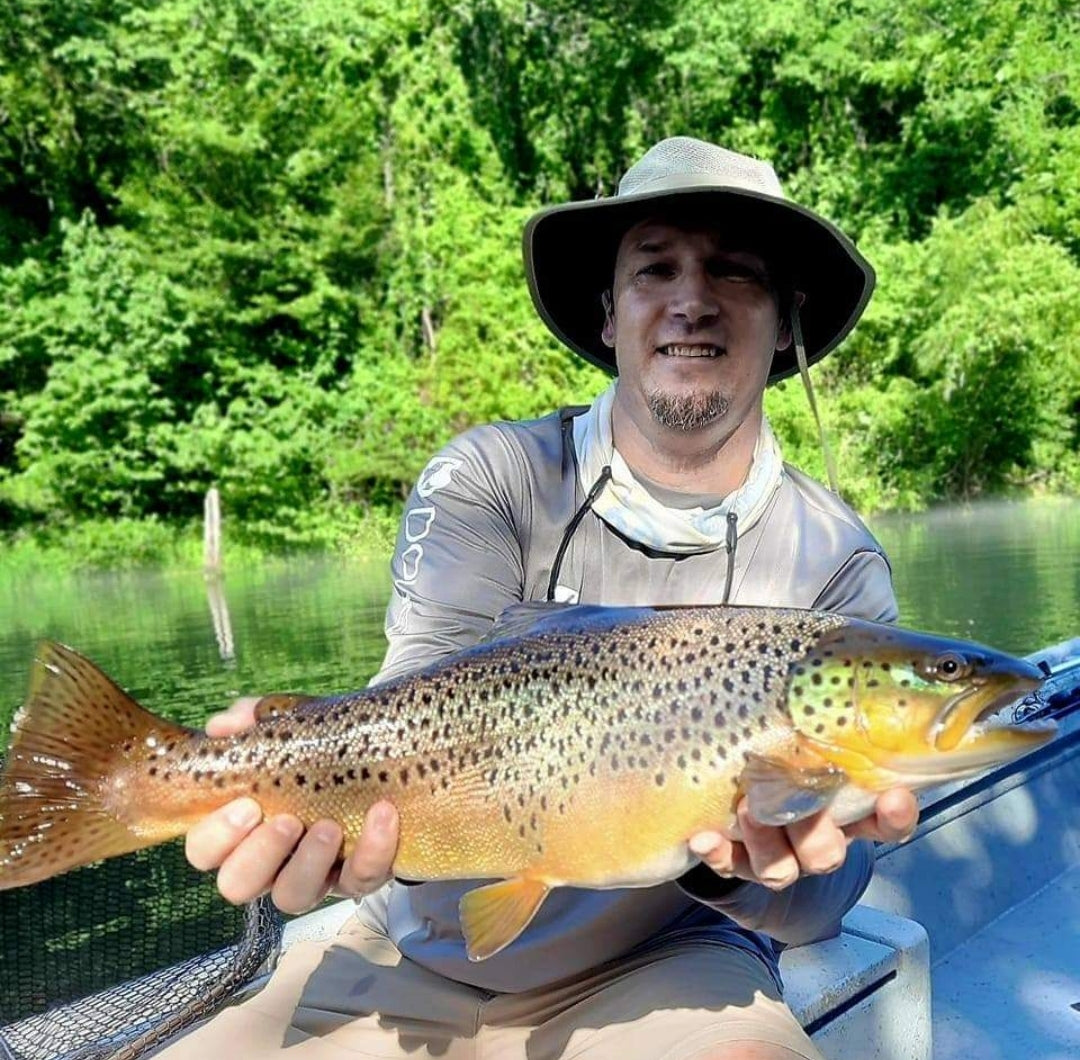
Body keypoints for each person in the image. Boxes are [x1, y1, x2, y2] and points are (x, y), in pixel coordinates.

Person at [162, 136, 918, 1060]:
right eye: (655, 269)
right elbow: (409, 698)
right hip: (410, 944)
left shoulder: (835, 567)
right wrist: (298, 780)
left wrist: (732, 873)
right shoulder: (496, 476)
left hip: (669, 959)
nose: (692, 298)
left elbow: (827, 902)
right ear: (609, 314)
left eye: (735, 271)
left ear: (788, 319)